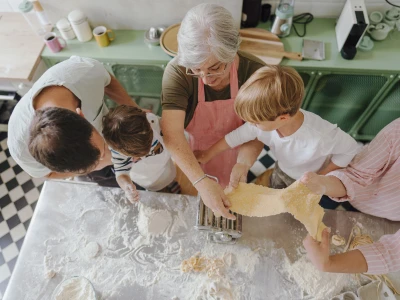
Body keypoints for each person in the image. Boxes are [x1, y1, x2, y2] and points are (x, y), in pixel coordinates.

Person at [161, 3, 266, 219]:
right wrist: (200, 181)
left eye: (215, 68)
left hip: (238, 147)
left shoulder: (256, 73)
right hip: (195, 150)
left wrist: (243, 163)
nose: (206, 80)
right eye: (196, 70)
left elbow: (259, 129)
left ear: (233, 49)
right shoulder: (178, 72)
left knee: (232, 186)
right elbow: (172, 134)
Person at [195, 65, 360, 192]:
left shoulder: (320, 135)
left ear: (283, 118)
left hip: (307, 179)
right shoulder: (263, 123)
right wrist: (207, 154)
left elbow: (350, 149)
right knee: (276, 186)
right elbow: (236, 136)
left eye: (255, 122)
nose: (251, 125)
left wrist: (322, 177)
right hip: (282, 168)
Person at [8, 56, 137, 185]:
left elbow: (107, 81)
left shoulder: (84, 72)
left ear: (81, 114)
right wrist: (99, 164)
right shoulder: (20, 150)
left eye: (102, 147)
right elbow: (48, 174)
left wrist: (134, 108)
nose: (104, 154)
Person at [301, 119, 400, 274]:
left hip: (391, 214)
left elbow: (394, 252)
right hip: (357, 192)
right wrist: (324, 184)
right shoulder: (397, 133)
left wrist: (329, 264)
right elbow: (356, 176)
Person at [102, 105, 179, 202]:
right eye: (134, 157)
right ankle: (164, 189)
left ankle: (170, 183)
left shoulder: (158, 124)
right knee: (159, 189)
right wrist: (126, 186)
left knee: (169, 177)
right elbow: (121, 172)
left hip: (165, 166)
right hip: (147, 180)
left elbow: (179, 138)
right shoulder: (117, 149)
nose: (138, 158)